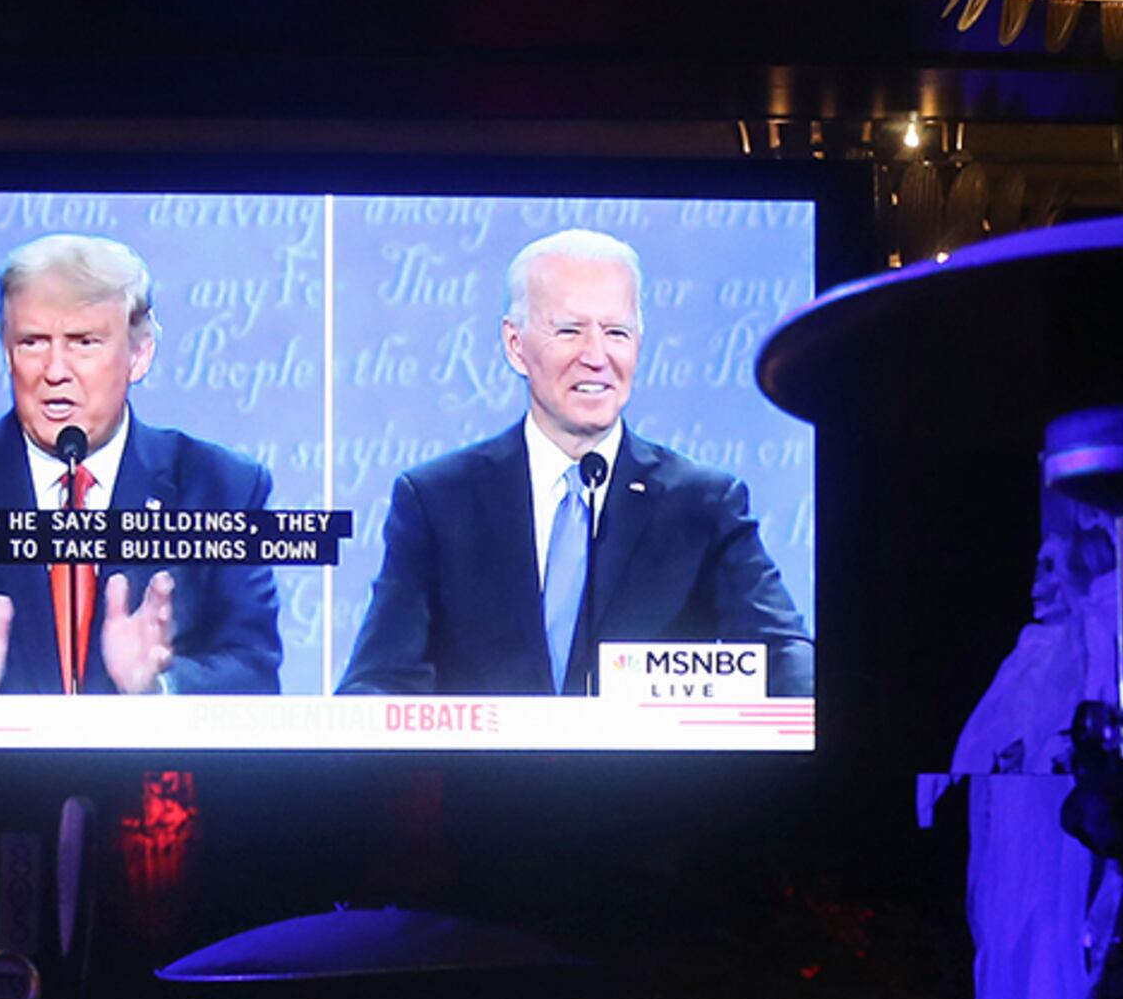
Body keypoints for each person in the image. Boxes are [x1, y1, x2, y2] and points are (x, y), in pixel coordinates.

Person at [338, 227, 813, 701]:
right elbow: (377, 682)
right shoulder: (439, 501)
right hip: (481, 778)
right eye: (569, 330)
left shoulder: (703, 504)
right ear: (515, 345)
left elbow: (784, 655)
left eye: (616, 333)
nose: (596, 356)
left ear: (639, 345)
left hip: (646, 778)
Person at [0, 232, 283, 697]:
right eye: (32, 342)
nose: (54, 371)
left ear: (139, 353)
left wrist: (156, 689)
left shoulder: (222, 488)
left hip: (149, 771)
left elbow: (254, 672)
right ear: (7, 351)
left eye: (83, 342)